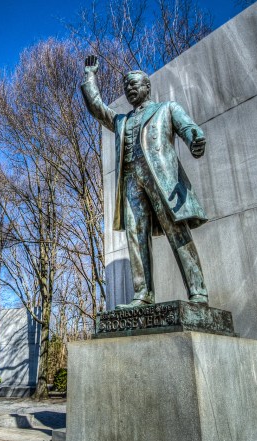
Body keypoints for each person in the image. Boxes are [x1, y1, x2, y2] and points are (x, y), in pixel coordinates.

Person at [81, 55, 209, 309]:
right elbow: (97, 108)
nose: (129, 88)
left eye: (134, 84)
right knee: (135, 235)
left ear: (147, 87)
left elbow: (189, 130)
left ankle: (198, 292)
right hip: (131, 181)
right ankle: (143, 294)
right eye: (126, 85)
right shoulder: (121, 121)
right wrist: (90, 76)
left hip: (162, 180)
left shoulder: (167, 108)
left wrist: (196, 139)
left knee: (177, 232)